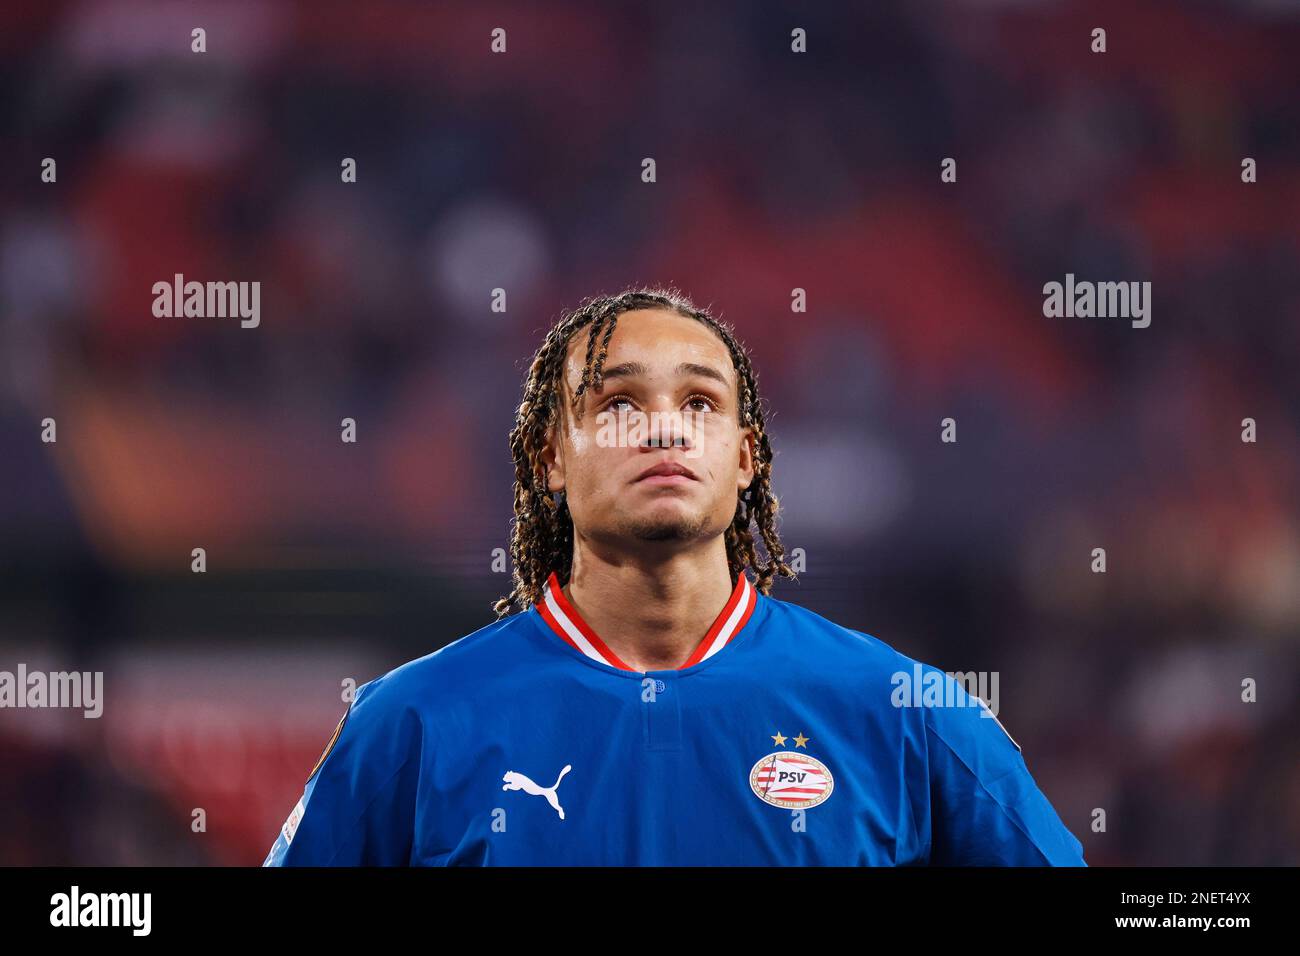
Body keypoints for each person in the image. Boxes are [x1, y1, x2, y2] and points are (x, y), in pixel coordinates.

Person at [264, 287, 1086, 866]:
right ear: (550, 456)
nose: (665, 426)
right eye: (618, 404)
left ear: (746, 456)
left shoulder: (906, 711)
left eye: (701, 403)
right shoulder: (410, 722)